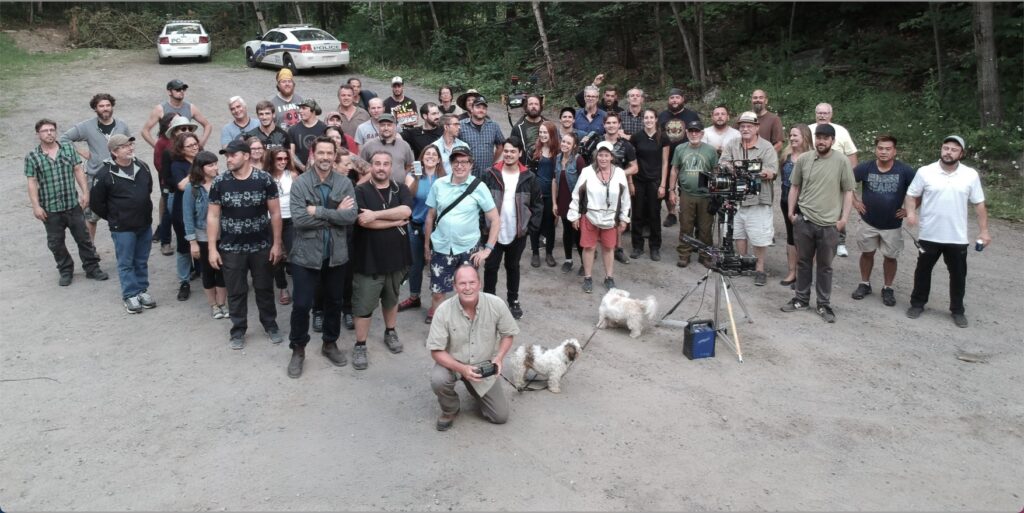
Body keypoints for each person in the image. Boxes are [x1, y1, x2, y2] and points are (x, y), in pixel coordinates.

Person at [286, 137, 358, 378]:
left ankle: (330, 343)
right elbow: (299, 220)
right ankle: (298, 349)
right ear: (313, 154)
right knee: (302, 304)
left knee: (334, 302)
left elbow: (350, 217)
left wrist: (318, 211)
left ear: (334, 154)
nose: (325, 157)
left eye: (330, 153)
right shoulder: (301, 184)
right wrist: (334, 214)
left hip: (336, 254)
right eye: (321, 153)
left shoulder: (344, 183)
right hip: (306, 255)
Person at [904, 135, 990, 328]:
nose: (948, 152)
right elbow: (911, 195)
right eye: (946, 148)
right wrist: (910, 213)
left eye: (953, 149)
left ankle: (957, 310)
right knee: (923, 271)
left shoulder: (970, 175)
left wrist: (984, 231)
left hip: (956, 236)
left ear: (961, 153)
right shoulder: (926, 172)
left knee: (958, 275)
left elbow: (979, 204)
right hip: (929, 234)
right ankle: (917, 304)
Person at [207, 140, 284, 349]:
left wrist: (277, 244)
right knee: (236, 291)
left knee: (264, 288)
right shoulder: (220, 182)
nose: (228, 159)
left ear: (246, 156)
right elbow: (213, 216)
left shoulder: (264, 179)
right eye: (227, 156)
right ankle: (238, 329)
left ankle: (270, 325)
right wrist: (212, 249)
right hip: (231, 248)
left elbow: (275, 213)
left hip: (260, 246)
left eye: (233, 155)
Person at [427, 264, 517, 431]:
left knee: (500, 416)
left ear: (479, 283)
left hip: (482, 366)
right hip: (452, 363)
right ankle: (450, 409)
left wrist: (499, 357)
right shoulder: (443, 310)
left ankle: (474, 387)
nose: (467, 288)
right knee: (438, 379)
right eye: (462, 283)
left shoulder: (496, 304)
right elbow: (436, 351)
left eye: (472, 282)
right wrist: (461, 368)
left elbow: (508, 334)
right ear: (454, 286)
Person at [781, 124, 855, 323]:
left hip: (829, 224)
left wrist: (843, 220)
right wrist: (791, 213)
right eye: (819, 137)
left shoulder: (841, 161)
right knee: (803, 262)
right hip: (804, 220)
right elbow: (794, 186)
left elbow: (849, 191)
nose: (821, 141)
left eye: (826, 138)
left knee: (825, 266)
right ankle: (801, 299)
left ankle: (823, 304)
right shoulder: (805, 159)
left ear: (832, 140)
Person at [350, 151, 414, 369]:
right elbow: (363, 222)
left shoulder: (400, 188)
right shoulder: (360, 190)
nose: (381, 167)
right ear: (371, 166)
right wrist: (395, 221)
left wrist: (376, 215)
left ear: (391, 167)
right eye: (377, 163)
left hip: (396, 257)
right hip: (368, 260)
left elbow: (406, 211)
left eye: (386, 164)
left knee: (391, 299)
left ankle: (390, 331)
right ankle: (360, 344)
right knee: (363, 305)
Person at [26, 118, 107, 286]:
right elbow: (32, 182)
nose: (49, 133)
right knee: (56, 243)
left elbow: (78, 170)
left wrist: (85, 192)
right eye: (44, 131)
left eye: (51, 130)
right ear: (38, 134)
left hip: (72, 204)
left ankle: (92, 268)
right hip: (50, 208)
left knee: (83, 238)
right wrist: (36, 206)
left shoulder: (68, 149)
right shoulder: (33, 156)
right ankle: (65, 270)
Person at [423, 147, 500, 324]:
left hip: (468, 249)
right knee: (437, 292)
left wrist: (487, 249)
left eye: (464, 161)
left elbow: (495, 219)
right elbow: (430, 216)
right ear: (450, 164)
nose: (460, 166)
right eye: (456, 162)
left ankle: (467, 325)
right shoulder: (439, 185)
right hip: (441, 247)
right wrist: (427, 246)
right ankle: (441, 328)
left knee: (468, 290)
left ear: (471, 164)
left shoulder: (479, 187)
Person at [848, 133, 919, 306]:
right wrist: (856, 203)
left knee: (890, 257)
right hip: (868, 221)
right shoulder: (866, 168)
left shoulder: (904, 170)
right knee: (867, 253)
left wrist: (909, 209)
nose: (883, 152)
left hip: (892, 224)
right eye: (880, 148)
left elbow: (920, 190)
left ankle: (888, 288)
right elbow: (846, 183)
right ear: (875, 149)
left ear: (895, 151)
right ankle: (864, 283)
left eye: (888, 149)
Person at [90, 135, 155, 313]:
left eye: (130, 144)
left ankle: (142, 290)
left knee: (141, 260)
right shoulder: (104, 175)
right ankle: (130, 295)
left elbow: (148, 189)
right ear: (114, 152)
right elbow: (96, 203)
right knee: (126, 262)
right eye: (124, 146)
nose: (130, 148)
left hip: (143, 223)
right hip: (122, 227)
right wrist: (115, 217)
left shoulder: (142, 167)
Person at [481, 138, 541, 320]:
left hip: (517, 233)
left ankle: (513, 300)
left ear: (520, 153)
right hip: (492, 232)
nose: (508, 154)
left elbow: (537, 206)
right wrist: (482, 226)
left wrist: (529, 229)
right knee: (491, 267)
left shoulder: (529, 178)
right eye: (506, 151)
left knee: (513, 267)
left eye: (513, 151)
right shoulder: (490, 174)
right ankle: (488, 300)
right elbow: (479, 203)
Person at [60, 93, 132, 242]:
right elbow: (64, 139)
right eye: (101, 106)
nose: (105, 109)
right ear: (95, 108)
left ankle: (122, 247)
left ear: (112, 107)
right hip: (96, 177)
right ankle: (90, 250)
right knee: (91, 216)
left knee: (120, 214)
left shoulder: (122, 125)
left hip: (119, 176)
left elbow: (129, 146)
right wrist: (80, 151)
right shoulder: (87, 126)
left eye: (108, 105)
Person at [719, 111, 778, 286]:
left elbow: (773, 170)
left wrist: (757, 172)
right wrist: (732, 167)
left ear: (757, 128)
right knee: (738, 232)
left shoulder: (766, 147)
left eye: (749, 126)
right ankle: (743, 262)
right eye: (742, 126)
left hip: (758, 199)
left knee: (759, 236)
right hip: (735, 198)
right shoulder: (732, 144)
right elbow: (722, 162)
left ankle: (759, 269)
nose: (745, 129)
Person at [567, 141, 631, 293]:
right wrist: (574, 215)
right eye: (600, 155)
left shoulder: (620, 174)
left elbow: (625, 198)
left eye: (606, 155)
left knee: (609, 248)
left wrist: (624, 218)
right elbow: (577, 194)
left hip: (610, 219)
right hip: (590, 216)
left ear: (611, 157)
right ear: (596, 157)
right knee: (588, 247)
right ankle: (588, 278)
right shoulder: (587, 172)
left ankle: (609, 277)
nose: (603, 158)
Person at [397, 144, 446, 315]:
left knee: (437, 266)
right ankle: (414, 296)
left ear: (439, 159)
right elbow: (407, 196)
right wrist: (417, 179)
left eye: (434, 154)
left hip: (438, 230)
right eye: (427, 154)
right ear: (422, 158)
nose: (431, 156)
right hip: (416, 227)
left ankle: (436, 303)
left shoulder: (445, 178)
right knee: (415, 265)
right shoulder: (413, 175)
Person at [182, 150, 228, 319]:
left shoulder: (222, 183)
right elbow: (187, 216)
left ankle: (223, 303)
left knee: (223, 270)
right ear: (200, 168)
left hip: (223, 234)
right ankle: (214, 305)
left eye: (215, 163)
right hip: (202, 235)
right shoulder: (192, 189)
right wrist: (192, 242)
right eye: (210, 165)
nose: (215, 167)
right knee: (207, 271)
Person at [810, 102, 859, 257]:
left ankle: (840, 242)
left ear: (831, 114)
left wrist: (848, 179)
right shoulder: (808, 130)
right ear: (815, 114)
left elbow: (851, 156)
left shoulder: (841, 131)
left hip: (837, 179)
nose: (822, 115)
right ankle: (813, 240)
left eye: (825, 113)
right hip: (813, 178)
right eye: (819, 113)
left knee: (838, 210)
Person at [669, 120, 717, 268]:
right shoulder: (680, 149)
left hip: (705, 195)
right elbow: (675, 169)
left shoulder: (711, 150)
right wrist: (671, 190)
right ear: (687, 133)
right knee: (685, 225)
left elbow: (716, 171)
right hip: (686, 194)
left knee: (705, 227)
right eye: (691, 131)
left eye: (697, 131)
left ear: (702, 133)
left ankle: (705, 255)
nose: (694, 134)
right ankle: (684, 254)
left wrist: (716, 192)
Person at [595, 112, 638, 265]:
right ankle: (593, 247)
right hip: (597, 185)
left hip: (617, 188)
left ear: (619, 125)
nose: (611, 125)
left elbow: (634, 167)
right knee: (595, 214)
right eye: (608, 123)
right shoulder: (597, 142)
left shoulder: (626, 145)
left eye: (614, 123)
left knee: (617, 217)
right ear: (604, 125)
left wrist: (619, 174)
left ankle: (618, 248)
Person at [658, 88, 700, 228]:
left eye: (677, 97)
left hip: (687, 157)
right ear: (668, 100)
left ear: (682, 99)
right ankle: (671, 213)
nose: (674, 100)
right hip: (666, 157)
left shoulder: (692, 115)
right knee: (667, 187)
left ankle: (687, 212)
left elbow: (699, 134)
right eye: (672, 98)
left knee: (687, 186)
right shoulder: (662, 116)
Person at [156, 116, 199, 256]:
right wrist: (177, 183)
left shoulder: (197, 147)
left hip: (194, 190)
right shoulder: (168, 151)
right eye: (183, 128)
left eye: (189, 128)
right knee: (170, 216)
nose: (186, 130)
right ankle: (165, 242)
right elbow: (164, 173)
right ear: (174, 131)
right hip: (174, 190)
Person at [168, 131, 203, 301]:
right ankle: (184, 282)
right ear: (181, 150)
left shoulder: (205, 159)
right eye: (190, 146)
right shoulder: (177, 165)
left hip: (202, 210)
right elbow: (181, 185)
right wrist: (197, 168)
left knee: (204, 242)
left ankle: (203, 272)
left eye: (195, 143)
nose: (194, 147)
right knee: (184, 247)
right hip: (182, 211)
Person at [630, 108, 667, 261]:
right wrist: (631, 182)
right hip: (639, 180)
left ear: (656, 119)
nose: (649, 120)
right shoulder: (636, 137)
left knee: (654, 215)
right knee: (637, 214)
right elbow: (631, 161)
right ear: (642, 120)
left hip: (655, 181)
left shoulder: (663, 138)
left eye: (651, 117)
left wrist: (663, 185)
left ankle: (655, 247)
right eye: (646, 117)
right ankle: (637, 246)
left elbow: (665, 163)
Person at [778, 124, 813, 286]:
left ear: (804, 137)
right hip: (786, 201)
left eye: (795, 136)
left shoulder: (812, 157)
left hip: (806, 204)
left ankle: (803, 274)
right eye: (790, 135)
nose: (791, 138)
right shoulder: (785, 156)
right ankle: (792, 272)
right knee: (791, 237)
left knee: (805, 240)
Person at [265, 146, 298, 306]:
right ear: (271, 159)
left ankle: (300, 287)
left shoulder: (292, 175)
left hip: (290, 219)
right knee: (275, 256)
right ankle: (282, 287)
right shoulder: (265, 177)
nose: (283, 162)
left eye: (286, 159)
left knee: (295, 252)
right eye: (279, 159)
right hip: (271, 220)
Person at [140, 79, 212, 149]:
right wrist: (157, 147)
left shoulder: (191, 107)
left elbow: (208, 125)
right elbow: (145, 131)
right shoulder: (160, 109)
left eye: (183, 89)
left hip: (185, 149)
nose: (181, 91)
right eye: (178, 89)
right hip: (168, 150)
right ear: (169, 92)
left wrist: (201, 143)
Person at [552, 132, 585, 273]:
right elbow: (554, 181)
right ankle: (568, 260)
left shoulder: (578, 160)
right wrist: (554, 202)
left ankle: (584, 263)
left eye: (568, 143)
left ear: (574, 146)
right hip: (563, 201)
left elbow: (584, 185)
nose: (564, 144)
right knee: (566, 231)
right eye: (563, 141)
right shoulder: (557, 158)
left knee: (578, 234)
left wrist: (579, 207)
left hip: (575, 202)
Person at [528, 122, 559, 268]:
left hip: (551, 194)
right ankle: (535, 253)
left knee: (549, 225)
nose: (542, 135)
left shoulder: (558, 152)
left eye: (545, 132)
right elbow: (527, 173)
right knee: (535, 225)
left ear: (552, 133)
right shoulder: (533, 150)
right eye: (540, 132)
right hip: (536, 194)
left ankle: (549, 253)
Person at [152, 112, 181, 254]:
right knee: (168, 212)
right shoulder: (162, 142)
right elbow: (159, 164)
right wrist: (172, 178)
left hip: (185, 182)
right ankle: (165, 241)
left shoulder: (188, 140)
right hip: (168, 182)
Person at [359, 113, 415, 182]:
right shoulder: (368, 146)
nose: (386, 128)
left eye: (389, 125)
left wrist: (403, 178)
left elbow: (409, 166)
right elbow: (361, 170)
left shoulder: (404, 145)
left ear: (395, 127)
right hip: (375, 189)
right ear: (378, 126)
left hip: (399, 189)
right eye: (383, 125)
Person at [459, 96, 505, 178]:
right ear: (472, 109)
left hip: (487, 173)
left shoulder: (494, 126)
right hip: (467, 173)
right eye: (478, 107)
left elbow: (500, 145)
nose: (481, 110)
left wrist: (493, 161)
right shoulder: (461, 125)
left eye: (484, 108)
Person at [287, 98, 327, 172]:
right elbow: (291, 153)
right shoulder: (293, 129)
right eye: (300, 108)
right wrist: (302, 167)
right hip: (299, 172)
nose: (300, 111)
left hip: (320, 171)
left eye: (304, 108)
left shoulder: (324, 128)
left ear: (313, 110)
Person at [511, 94, 547, 159]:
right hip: (524, 166)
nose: (533, 106)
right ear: (526, 107)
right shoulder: (517, 127)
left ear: (540, 106)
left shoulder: (548, 125)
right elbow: (512, 150)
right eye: (530, 104)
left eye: (536, 104)